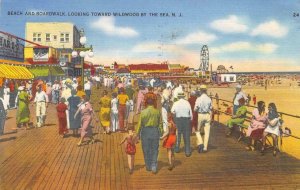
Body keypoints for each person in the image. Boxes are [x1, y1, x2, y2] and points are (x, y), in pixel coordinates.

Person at [136, 98, 163, 174]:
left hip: (145, 131)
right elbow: (160, 124)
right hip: (154, 131)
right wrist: (161, 132)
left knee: (146, 149)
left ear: (146, 104)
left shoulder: (143, 112)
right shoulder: (157, 112)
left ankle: (148, 165)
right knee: (155, 148)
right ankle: (154, 164)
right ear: (153, 103)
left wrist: (137, 134)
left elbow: (140, 124)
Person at [171, 92, 193, 157]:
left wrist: (176, 113)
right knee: (186, 135)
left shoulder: (176, 103)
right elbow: (191, 114)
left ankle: (177, 148)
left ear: (178, 97)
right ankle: (187, 151)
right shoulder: (187, 103)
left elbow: (172, 111)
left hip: (178, 120)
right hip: (186, 120)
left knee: (178, 134)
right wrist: (190, 119)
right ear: (183, 97)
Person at [194, 85, 212, 153]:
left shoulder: (199, 98)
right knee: (207, 132)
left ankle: (200, 143)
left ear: (201, 90)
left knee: (197, 131)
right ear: (206, 90)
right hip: (207, 115)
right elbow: (211, 109)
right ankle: (205, 147)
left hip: (200, 115)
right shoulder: (209, 98)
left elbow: (195, 109)